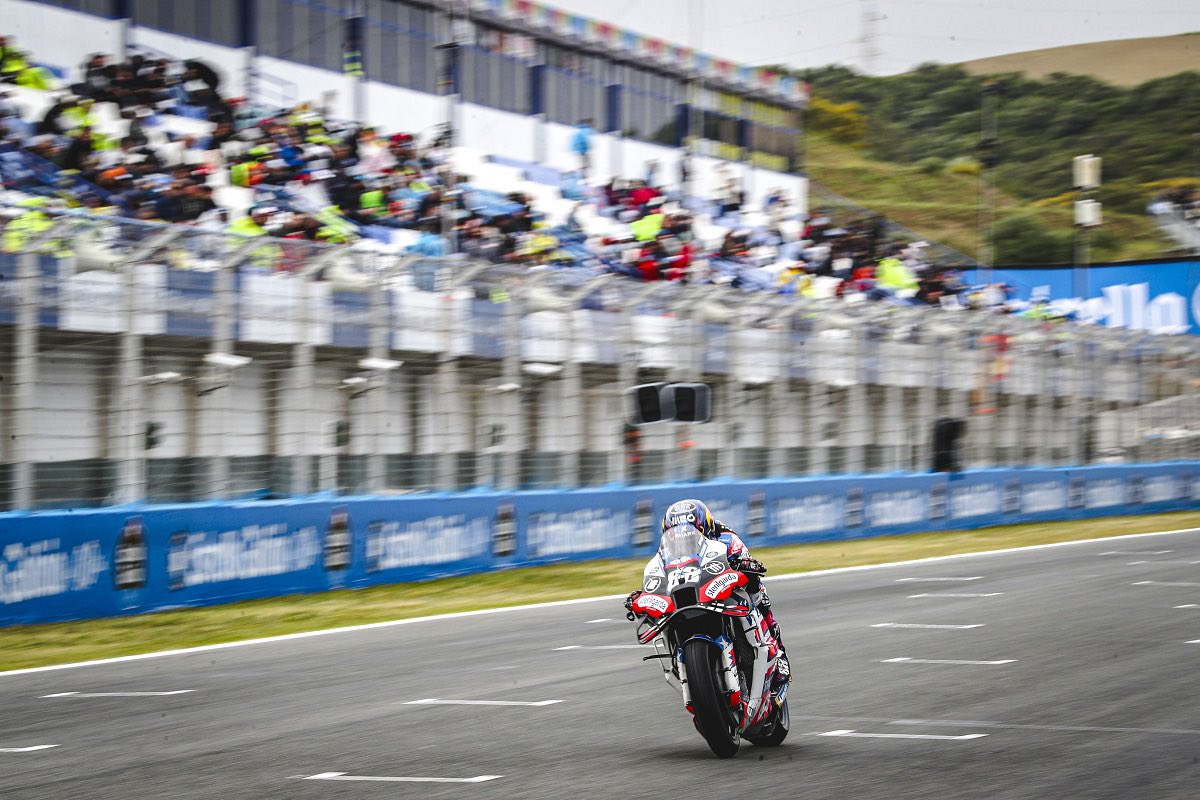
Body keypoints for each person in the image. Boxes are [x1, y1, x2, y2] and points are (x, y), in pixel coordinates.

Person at [625, 499, 790, 689]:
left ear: (705, 527)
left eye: (689, 532)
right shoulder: (663, 555)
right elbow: (655, 578)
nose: (683, 538)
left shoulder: (727, 539)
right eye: (676, 534)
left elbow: (746, 560)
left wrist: (746, 566)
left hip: (719, 588)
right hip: (688, 598)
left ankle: (779, 654)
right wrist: (643, 595)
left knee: (757, 595)